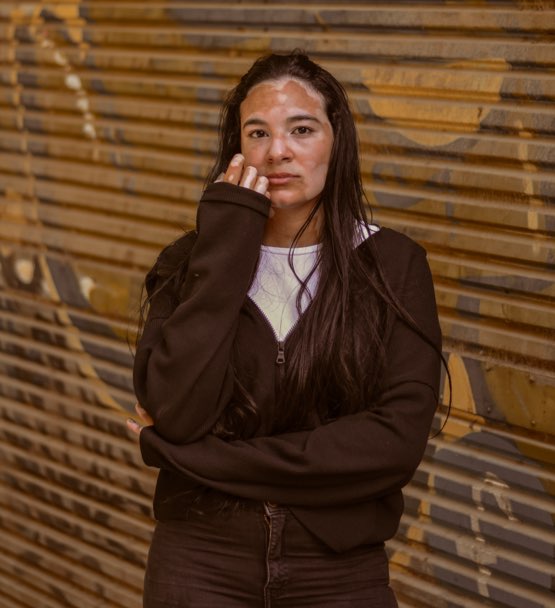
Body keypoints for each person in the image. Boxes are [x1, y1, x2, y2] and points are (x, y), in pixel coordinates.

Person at [127, 51, 445, 607]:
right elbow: (177, 412)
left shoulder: (393, 267)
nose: (278, 151)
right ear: (238, 149)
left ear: (336, 141)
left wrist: (200, 460)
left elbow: (391, 445)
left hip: (338, 568)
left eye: (301, 129)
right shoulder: (189, 263)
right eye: (258, 133)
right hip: (201, 561)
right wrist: (227, 243)